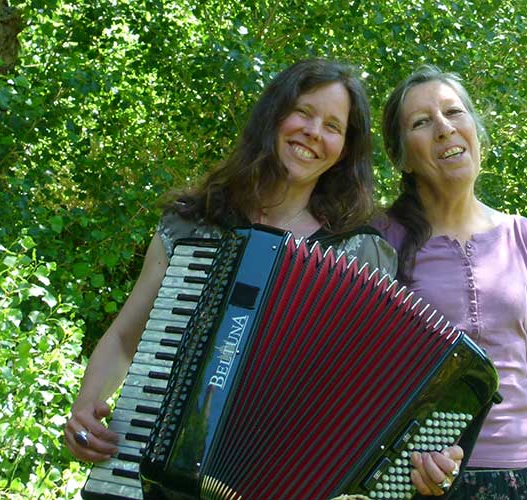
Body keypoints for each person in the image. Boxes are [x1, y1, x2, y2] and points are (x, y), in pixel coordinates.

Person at [64, 58, 461, 497]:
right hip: (148, 480)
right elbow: (125, 338)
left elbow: (374, 400)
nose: (314, 131)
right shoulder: (194, 224)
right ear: (273, 115)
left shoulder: (361, 252)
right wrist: (87, 402)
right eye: (304, 112)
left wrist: (424, 462)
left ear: (344, 149)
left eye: (333, 126)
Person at [373, 64, 527, 500]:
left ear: (475, 129)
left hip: (523, 479)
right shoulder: (379, 241)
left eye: (455, 113)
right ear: (403, 158)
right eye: (422, 122)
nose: (445, 128)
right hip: (414, 483)